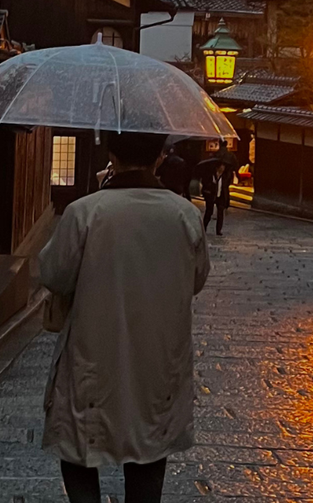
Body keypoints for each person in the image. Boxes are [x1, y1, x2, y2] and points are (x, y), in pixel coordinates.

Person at [37, 131, 210, 503]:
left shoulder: (85, 212)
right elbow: (196, 279)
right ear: (160, 157)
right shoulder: (185, 215)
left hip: (93, 348)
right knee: (149, 445)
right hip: (159, 352)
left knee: (80, 444)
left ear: (111, 155)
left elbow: (54, 273)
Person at [195, 142, 239, 236]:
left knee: (220, 211)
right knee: (209, 211)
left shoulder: (225, 175)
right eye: (221, 167)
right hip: (211, 193)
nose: (222, 168)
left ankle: (218, 230)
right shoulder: (210, 174)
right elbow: (205, 182)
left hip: (221, 193)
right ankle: (204, 227)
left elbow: (225, 185)